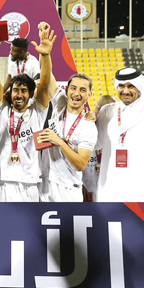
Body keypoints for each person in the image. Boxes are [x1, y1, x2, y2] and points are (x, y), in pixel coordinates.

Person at [0, 22, 55, 202]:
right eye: (16, 90)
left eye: (24, 91)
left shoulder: (38, 112)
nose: (19, 94)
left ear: (30, 94)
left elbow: (45, 85)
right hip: (1, 180)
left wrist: (46, 55)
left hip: (29, 182)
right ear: (10, 92)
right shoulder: (1, 111)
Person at [94, 67, 144, 202]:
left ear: (140, 87)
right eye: (121, 86)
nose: (125, 91)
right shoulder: (107, 111)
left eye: (131, 86)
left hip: (140, 183)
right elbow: (97, 143)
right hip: (111, 181)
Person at [38, 71, 97, 202]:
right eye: (73, 88)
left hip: (67, 189)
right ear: (67, 90)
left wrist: (59, 142)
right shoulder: (59, 104)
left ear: (89, 95)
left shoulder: (88, 126)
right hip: (45, 183)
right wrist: (45, 54)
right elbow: (47, 76)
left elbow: (81, 164)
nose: (76, 93)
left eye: (82, 90)